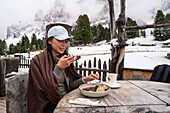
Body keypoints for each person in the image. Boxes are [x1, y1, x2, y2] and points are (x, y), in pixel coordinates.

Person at [27, 24, 99, 113]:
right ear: (49, 40)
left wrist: (85, 79)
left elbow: (69, 85)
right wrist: (59, 68)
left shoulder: (65, 58)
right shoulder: (37, 61)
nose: (64, 45)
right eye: (60, 40)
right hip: (52, 107)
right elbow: (46, 92)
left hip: (69, 100)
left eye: (66, 41)